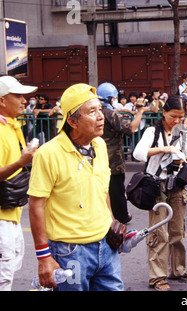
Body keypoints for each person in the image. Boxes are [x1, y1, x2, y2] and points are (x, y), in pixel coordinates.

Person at [27, 83, 125, 291]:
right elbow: (36, 205)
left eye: (100, 109)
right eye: (92, 111)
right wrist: (44, 257)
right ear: (72, 121)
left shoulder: (99, 145)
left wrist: (111, 220)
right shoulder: (49, 153)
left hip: (106, 246)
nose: (101, 116)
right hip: (69, 253)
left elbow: (102, 188)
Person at [133, 95, 187, 291]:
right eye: (173, 116)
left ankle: (177, 269)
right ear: (164, 113)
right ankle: (157, 277)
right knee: (159, 233)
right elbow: (138, 154)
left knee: (177, 231)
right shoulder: (153, 131)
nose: (177, 121)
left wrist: (186, 159)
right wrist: (165, 149)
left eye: (181, 116)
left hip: (177, 185)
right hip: (156, 187)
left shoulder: (184, 132)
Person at [0, 76, 38, 290]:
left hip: (11, 212)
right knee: (3, 275)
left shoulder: (13, 126)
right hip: (2, 217)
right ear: (1, 101)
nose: (24, 100)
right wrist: (21, 161)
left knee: (11, 266)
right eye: (18, 95)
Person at [97, 82, 145, 223]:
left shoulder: (96, 111)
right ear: (109, 98)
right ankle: (122, 216)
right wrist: (140, 111)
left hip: (98, 157)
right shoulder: (110, 113)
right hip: (113, 160)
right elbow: (130, 128)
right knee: (116, 190)